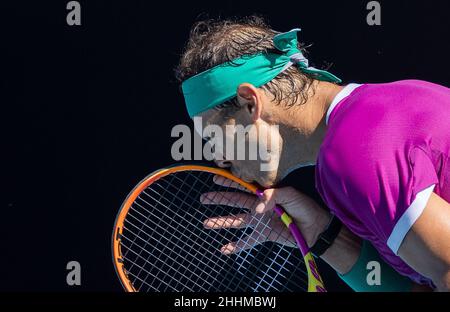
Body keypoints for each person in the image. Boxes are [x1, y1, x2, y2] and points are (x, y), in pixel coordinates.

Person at [175, 16, 450, 291]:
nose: (219, 159)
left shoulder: (353, 153)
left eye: (213, 137)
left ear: (250, 103)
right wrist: (322, 233)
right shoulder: (378, 111)